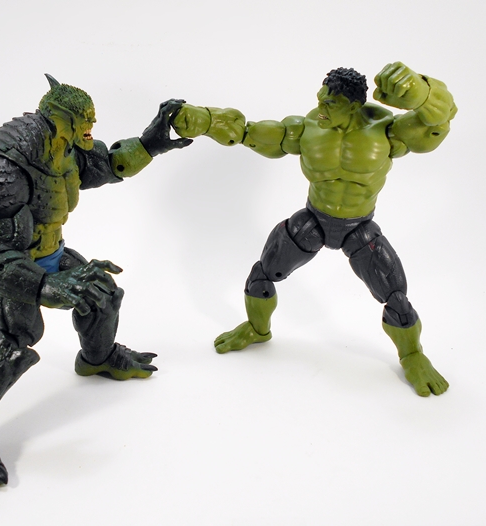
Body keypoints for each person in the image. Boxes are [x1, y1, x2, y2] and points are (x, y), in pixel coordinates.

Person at [0, 75, 191, 486]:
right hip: (14, 271)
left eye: (92, 117)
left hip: (52, 253)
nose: (92, 125)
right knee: (10, 343)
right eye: (83, 118)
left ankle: (98, 358)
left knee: (102, 295)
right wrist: (45, 288)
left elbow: (107, 164)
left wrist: (150, 143)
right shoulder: (1, 169)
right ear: (58, 118)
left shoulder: (65, 150)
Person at [172, 62, 456, 397]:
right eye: (320, 99)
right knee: (261, 277)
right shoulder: (306, 128)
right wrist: (207, 120)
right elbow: (247, 132)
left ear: (354, 106)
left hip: (359, 227)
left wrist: (422, 92)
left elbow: (438, 122)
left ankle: (412, 355)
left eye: (331, 104)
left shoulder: (387, 132)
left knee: (396, 298)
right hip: (314, 220)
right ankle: (257, 329)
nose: (321, 108)